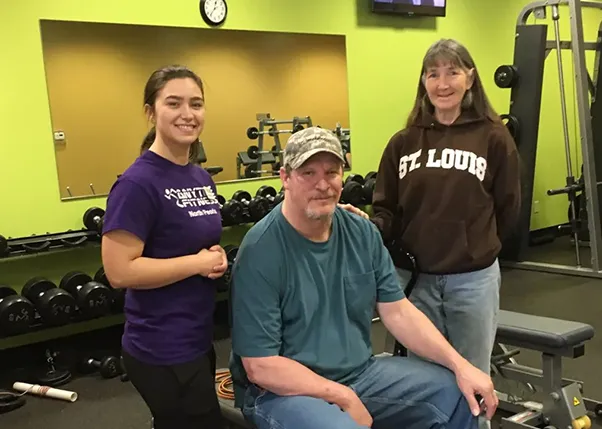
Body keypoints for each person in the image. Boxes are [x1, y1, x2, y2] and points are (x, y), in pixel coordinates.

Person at [228, 126, 499, 429]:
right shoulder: (261, 249)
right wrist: (343, 397)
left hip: (362, 374)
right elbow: (260, 367)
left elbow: (398, 312)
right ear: (285, 178)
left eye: (332, 172)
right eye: (308, 173)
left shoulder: (361, 232)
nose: (323, 184)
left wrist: (460, 365)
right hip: (284, 392)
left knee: (458, 395)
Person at [371, 39, 521, 379]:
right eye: (433, 74)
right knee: (422, 380)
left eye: (452, 72)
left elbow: (509, 208)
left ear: (469, 77)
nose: (442, 84)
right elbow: (387, 210)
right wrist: (371, 226)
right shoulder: (404, 141)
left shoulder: (495, 138)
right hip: (415, 280)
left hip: (472, 280)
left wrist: (476, 245)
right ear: (423, 81)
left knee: (473, 376)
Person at [101, 65, 229, 429]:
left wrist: (213, 259)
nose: (188, 114)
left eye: (196, 103)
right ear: (150, 112)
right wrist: (197, 263)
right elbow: (119, 271)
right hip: (160, 346)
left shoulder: (200, 177)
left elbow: (194, 244)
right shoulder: (137, 184)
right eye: (174, 103)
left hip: (197, 336)